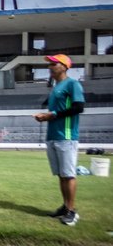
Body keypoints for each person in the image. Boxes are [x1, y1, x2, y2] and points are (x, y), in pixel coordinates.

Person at [33, 54, 85, 226]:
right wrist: (45, 117)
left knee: (69, 174)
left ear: (64, 66)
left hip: (67, 136)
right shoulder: (56, 87)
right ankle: (65, 206)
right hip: (53, 135)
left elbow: (79, 107)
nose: (50, 67)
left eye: (54, 64)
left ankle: (72, 211)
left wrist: (52, 115)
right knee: (61, 175)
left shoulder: (72, 84)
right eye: (50, 64)